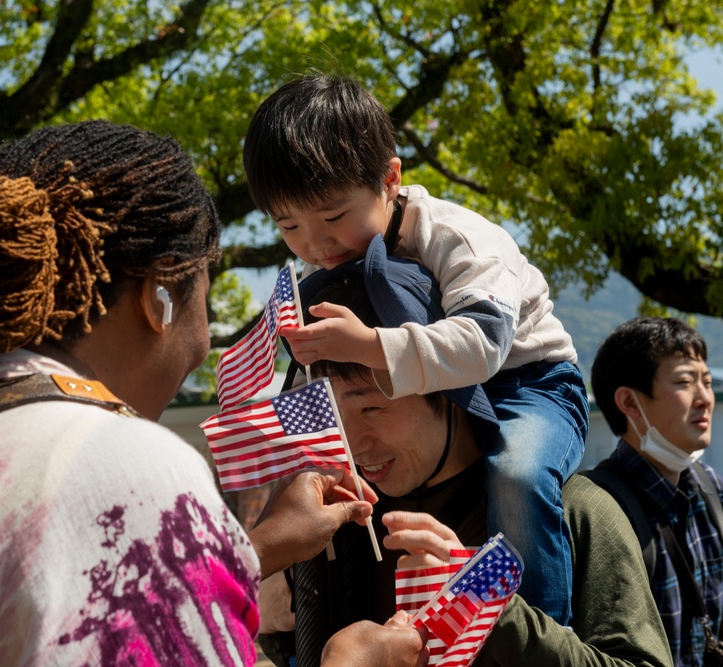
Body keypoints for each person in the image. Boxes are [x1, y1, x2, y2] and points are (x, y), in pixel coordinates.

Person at [0, 121, 427, 666]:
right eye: (206, 286)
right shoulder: (124, 469)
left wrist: (255, 548)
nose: (205, 335)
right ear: (159, 296)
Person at [242, 73, 588, 625]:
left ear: (389, 180)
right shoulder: (331, 256)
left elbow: (483, 344)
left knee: (518, 476)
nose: (316, 244)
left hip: (528, 381)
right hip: (443, 381)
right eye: (289, 226)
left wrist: (372, 345)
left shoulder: (463, 239)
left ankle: (538, 622)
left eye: (332, 216)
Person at [256, 235, 671, 667]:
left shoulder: (568, 511)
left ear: (449, 388)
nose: (353, 442)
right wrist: (275, 620)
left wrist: (489, 602)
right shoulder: (334, 530)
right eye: (335, 415)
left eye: (373, 407)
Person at [590, 317, 723, 666]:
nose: (705, 398)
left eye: (707, 382)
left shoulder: (710, 487)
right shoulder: (600, 508)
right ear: (630, 404)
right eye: (684, 381)